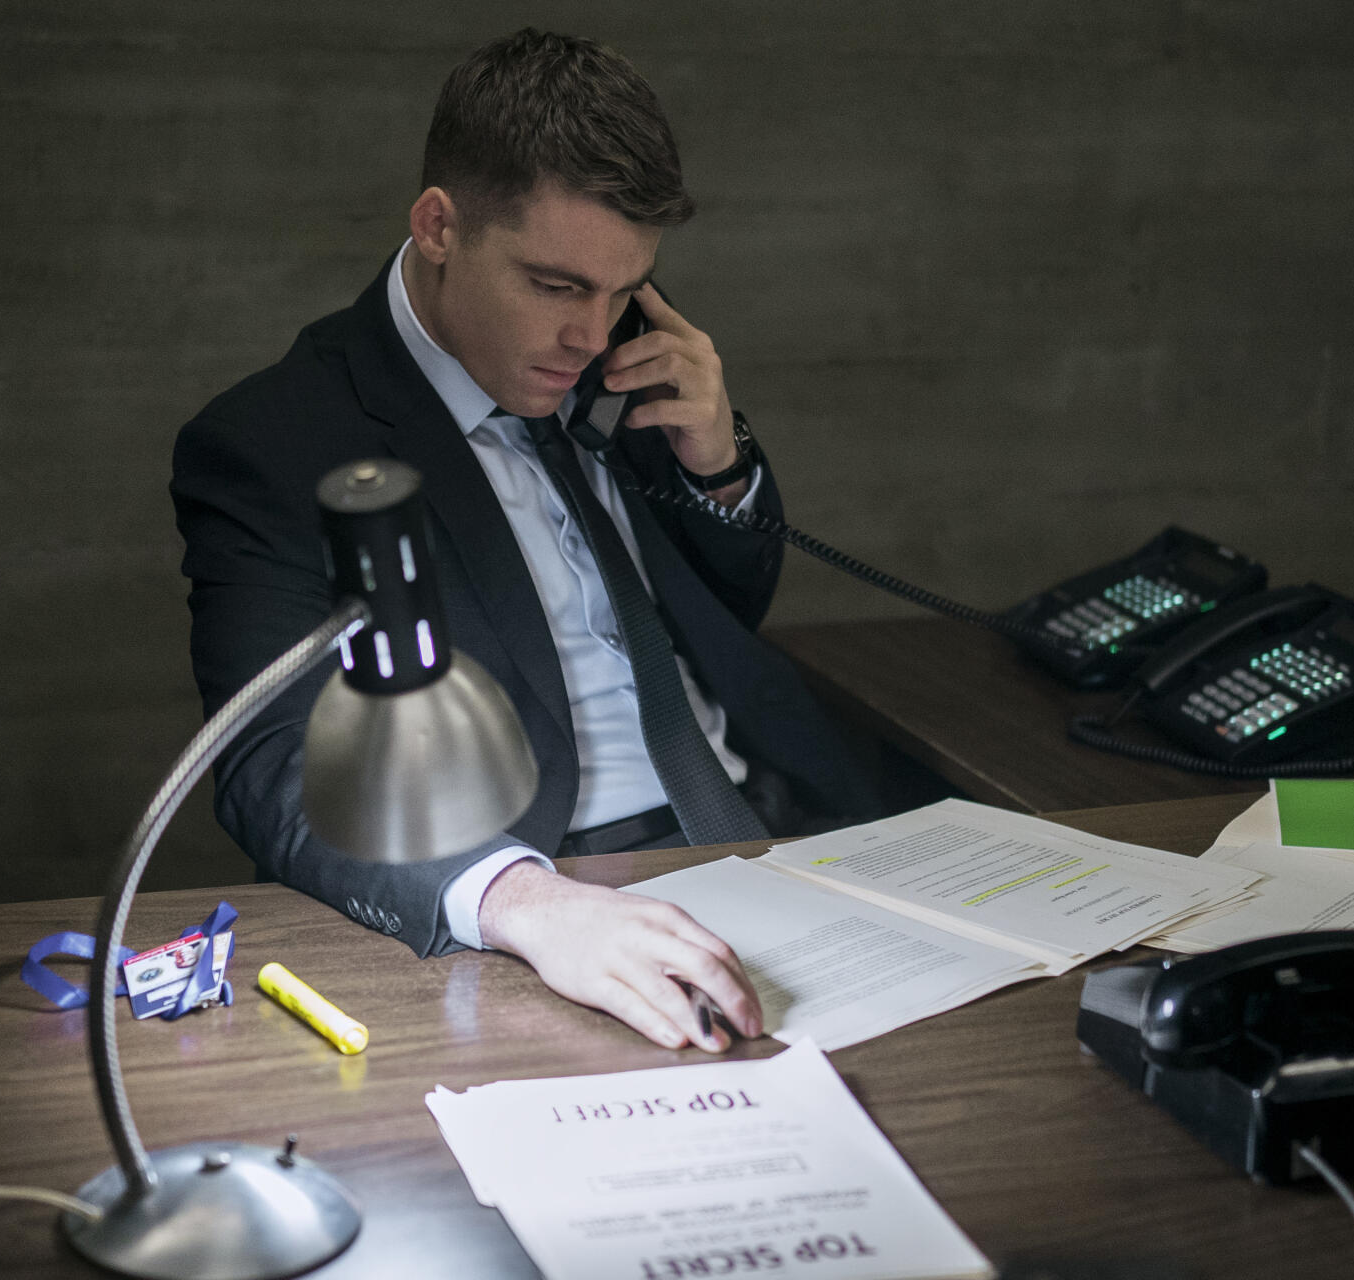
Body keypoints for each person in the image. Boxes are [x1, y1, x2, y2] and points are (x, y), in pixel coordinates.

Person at [171, 29, 877, 1056]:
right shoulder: (275, 441)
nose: (591, 336)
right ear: (440, 226)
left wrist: (716, 465)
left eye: (623, 287)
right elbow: (274, 764)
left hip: (764, 830)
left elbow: (727, 614)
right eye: (554, 287)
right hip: (545, 883)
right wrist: (527, 902)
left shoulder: (612, 358)